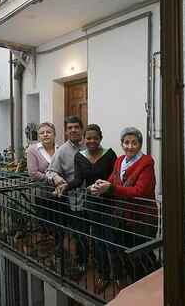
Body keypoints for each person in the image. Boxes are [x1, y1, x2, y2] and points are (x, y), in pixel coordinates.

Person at [91, 127, 159, 292]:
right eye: (126, 142)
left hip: (141, 218)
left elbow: (139, 191)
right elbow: (112, 179)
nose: (130, 146)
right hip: (121, 217)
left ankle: (152, 288)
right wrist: (99, 185)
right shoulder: (120, 160)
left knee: (143, 254)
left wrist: (111, 189)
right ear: (122, 144)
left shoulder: (146, 162)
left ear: (140, 144)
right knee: (126, 253)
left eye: (134, 142)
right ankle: (139, 286)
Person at [55, 124, 117, 291]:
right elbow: (78, 180)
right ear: (85, 139)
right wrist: (65, 186)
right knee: (97, 239)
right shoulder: (79, 157)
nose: (91, 141)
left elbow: (116, 178)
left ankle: (117, 274)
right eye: (88, 138)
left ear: (100, 138)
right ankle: (104, 275)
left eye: (95, 138)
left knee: (112, 238)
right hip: (91, 202)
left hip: (109, 201)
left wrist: (107, 186)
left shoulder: (110, 154)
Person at [46, 116, 88, 271]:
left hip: (95, 199)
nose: (73, 130)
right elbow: (49, 172)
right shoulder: (62, 151)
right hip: (76, 201)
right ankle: (82, 261)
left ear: (82, 129)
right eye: (69, 128)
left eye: (76, 127)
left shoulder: (90, 144)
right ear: (65, 131)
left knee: (97, 234)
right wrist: (56, 178)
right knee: (80, 234)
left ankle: (99, 261)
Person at [26, 122, 58, 233]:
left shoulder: (60, 149)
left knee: (61, 223)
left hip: (60, 193)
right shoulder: (33, 150)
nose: (45, 135)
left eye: (49, 132)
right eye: (42, 133)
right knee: (47, 225)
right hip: (43, 194)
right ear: (39, 136)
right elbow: (33, 173)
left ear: (54, 134)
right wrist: (53, 178)